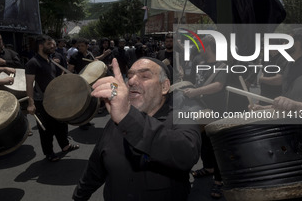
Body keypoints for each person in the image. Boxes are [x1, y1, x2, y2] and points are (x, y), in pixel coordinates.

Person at [72, 57, 201, 201]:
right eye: (130, 76)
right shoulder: (116, 121)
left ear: (164, 86)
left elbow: (186, 153)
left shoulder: (182, 118)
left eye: (144, 76)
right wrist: (79, 196)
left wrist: (128, 118)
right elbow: (96, 166)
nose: (132, 81)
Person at [253, 41, 302, 200]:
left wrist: (295, 105)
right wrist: (263, 110)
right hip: (294, 154)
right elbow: (286, 108)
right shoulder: (300, 80)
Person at [183, 36, 228, 199]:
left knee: (216, 146)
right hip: (200, 109)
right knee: (204, 142)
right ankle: (208, 168)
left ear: (209, 46)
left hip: (215, 110)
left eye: (202, 45)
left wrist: (196, 92)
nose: (199, 48)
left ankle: (219, 181)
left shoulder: (222, 65)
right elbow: (196, 83)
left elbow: (218, 86)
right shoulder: (200, 64)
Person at [25, 35, 79, 162]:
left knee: (61, 124)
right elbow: (29, 84)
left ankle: (65, 145)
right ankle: (49, 152)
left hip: (55, 99)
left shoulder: (51, 60)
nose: (53, 46)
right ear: (40, 46)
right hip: (41, 101)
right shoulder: (33, 62)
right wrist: (30, 103)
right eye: (49, 44)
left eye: (53, 44)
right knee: (46, 129)